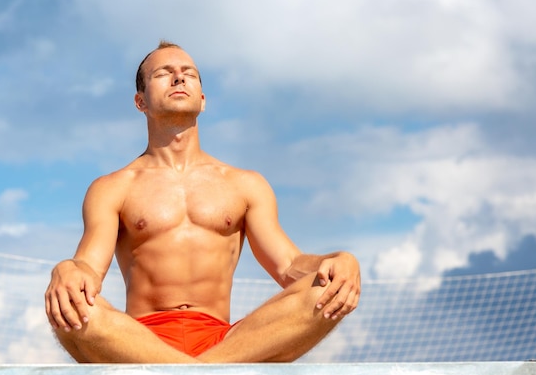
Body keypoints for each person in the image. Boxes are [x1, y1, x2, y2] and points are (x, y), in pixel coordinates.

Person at [44, 40, 361, 363]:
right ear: (140, 102)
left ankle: (192, 371)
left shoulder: (244, 184)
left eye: (189, 74)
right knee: (73, 305)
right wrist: (66, 270)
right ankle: (204, 373)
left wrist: (338, 261)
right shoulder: (113, 187)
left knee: (326, 287)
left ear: (203, 100)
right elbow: (88, 270)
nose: (179, 78)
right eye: (164, 73)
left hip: (229, 342)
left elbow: (289, 267)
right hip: (138, 343)